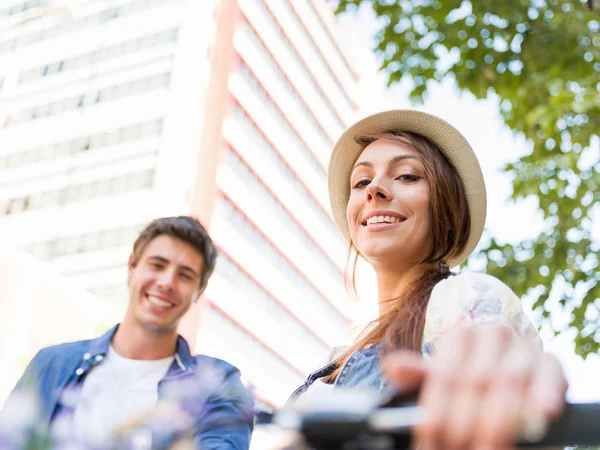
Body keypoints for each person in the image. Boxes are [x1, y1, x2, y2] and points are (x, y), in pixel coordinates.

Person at [287, 110, 568, 450]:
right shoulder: (334, 359)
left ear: (446, 208)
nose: (374, 189)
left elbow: (490, 362)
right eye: (361, 182)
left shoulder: (462, 297)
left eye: (406, 176)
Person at [0, 216, 254, 449]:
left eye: (185, 275)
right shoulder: (52, 364)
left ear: (200, 290)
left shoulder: (216, 383)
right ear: (132, 266)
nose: (167, 282)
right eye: (157, 265)